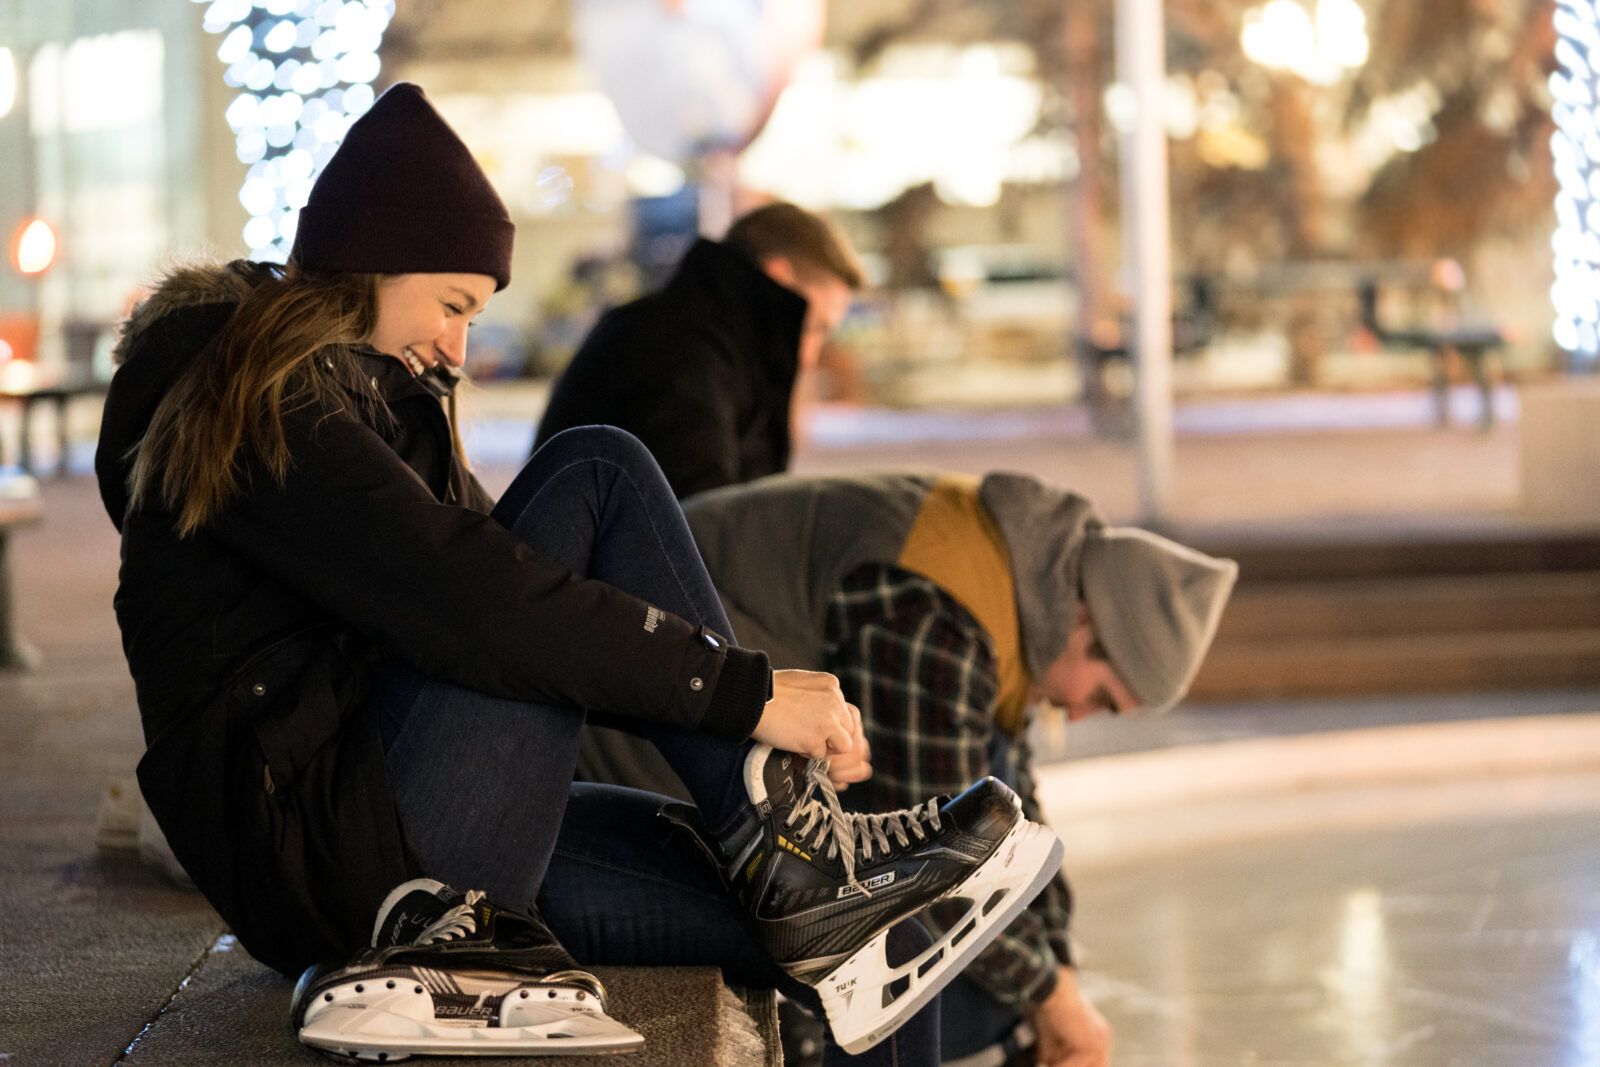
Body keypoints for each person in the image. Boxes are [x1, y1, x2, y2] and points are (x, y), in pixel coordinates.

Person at [93, 82, 1064, 1064]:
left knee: (880, 928)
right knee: (599, 469)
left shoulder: (378, 401)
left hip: (388, 824)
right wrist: (747, 696)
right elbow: (483, 603)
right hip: (343, 862)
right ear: (374, 262)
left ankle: (804, 867)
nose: (459, 346)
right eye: (454, 304)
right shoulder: (256, 397)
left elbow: (521, 602)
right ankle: (796, 855)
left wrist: (747, 716)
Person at [579, 471, 1238, 1066]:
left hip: (722, 773)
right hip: (634, 766)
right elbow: (938, 863)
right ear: (1087, 620)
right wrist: (1056, 1001)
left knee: (1006, 971)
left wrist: (1059, 968)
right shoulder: (941, 613)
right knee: (960, 1001)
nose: (1083, 713)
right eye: (1100, 695)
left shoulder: (1011, 575)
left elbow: (1020, 821)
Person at [531, 201, 863, 499]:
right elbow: (703, 522)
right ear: (779, 277)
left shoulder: (696, 337)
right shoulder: (683, 347)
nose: (808, 356)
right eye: (813, 328)